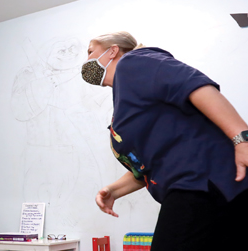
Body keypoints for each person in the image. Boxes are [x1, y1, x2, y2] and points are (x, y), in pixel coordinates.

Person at [81, 31, 248, 250]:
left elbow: (194, 85)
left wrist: (242, 138)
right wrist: (114, 190)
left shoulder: (133, 62)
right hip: (191, 188)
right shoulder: (126, 99)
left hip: (201, 181)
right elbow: (147, 167)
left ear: (112, 50)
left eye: (90, 51)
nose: (87, 61)